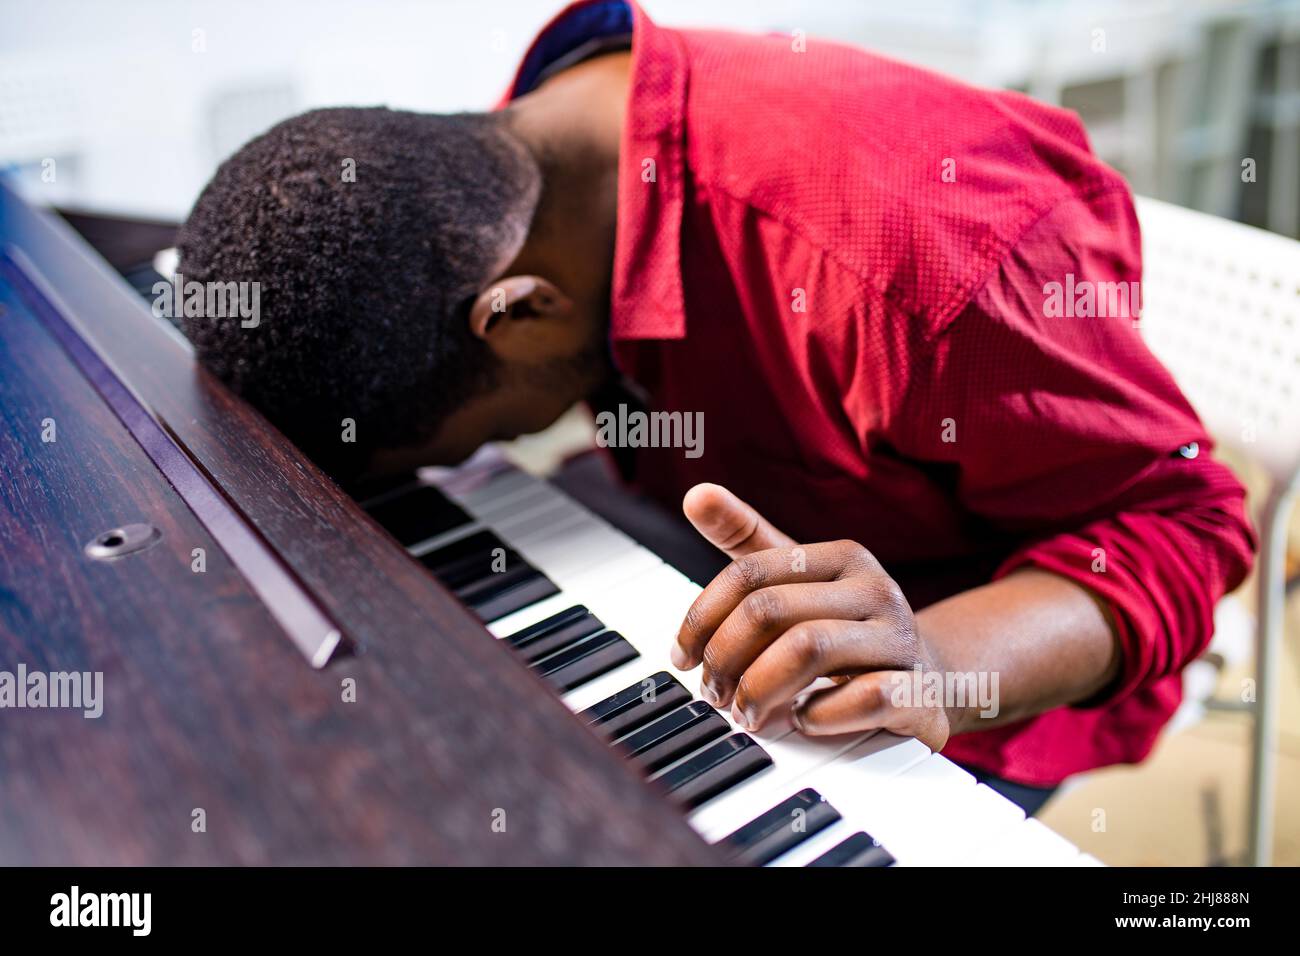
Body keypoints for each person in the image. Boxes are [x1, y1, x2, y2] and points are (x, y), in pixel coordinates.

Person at [177, 0, 1255, 811]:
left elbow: (1186, 529)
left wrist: (934, 663)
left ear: (519, 314)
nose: (491, 443)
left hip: (957, 640)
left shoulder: (922, 265)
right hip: (724, 510)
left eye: (481, 432)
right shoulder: (527, 155)